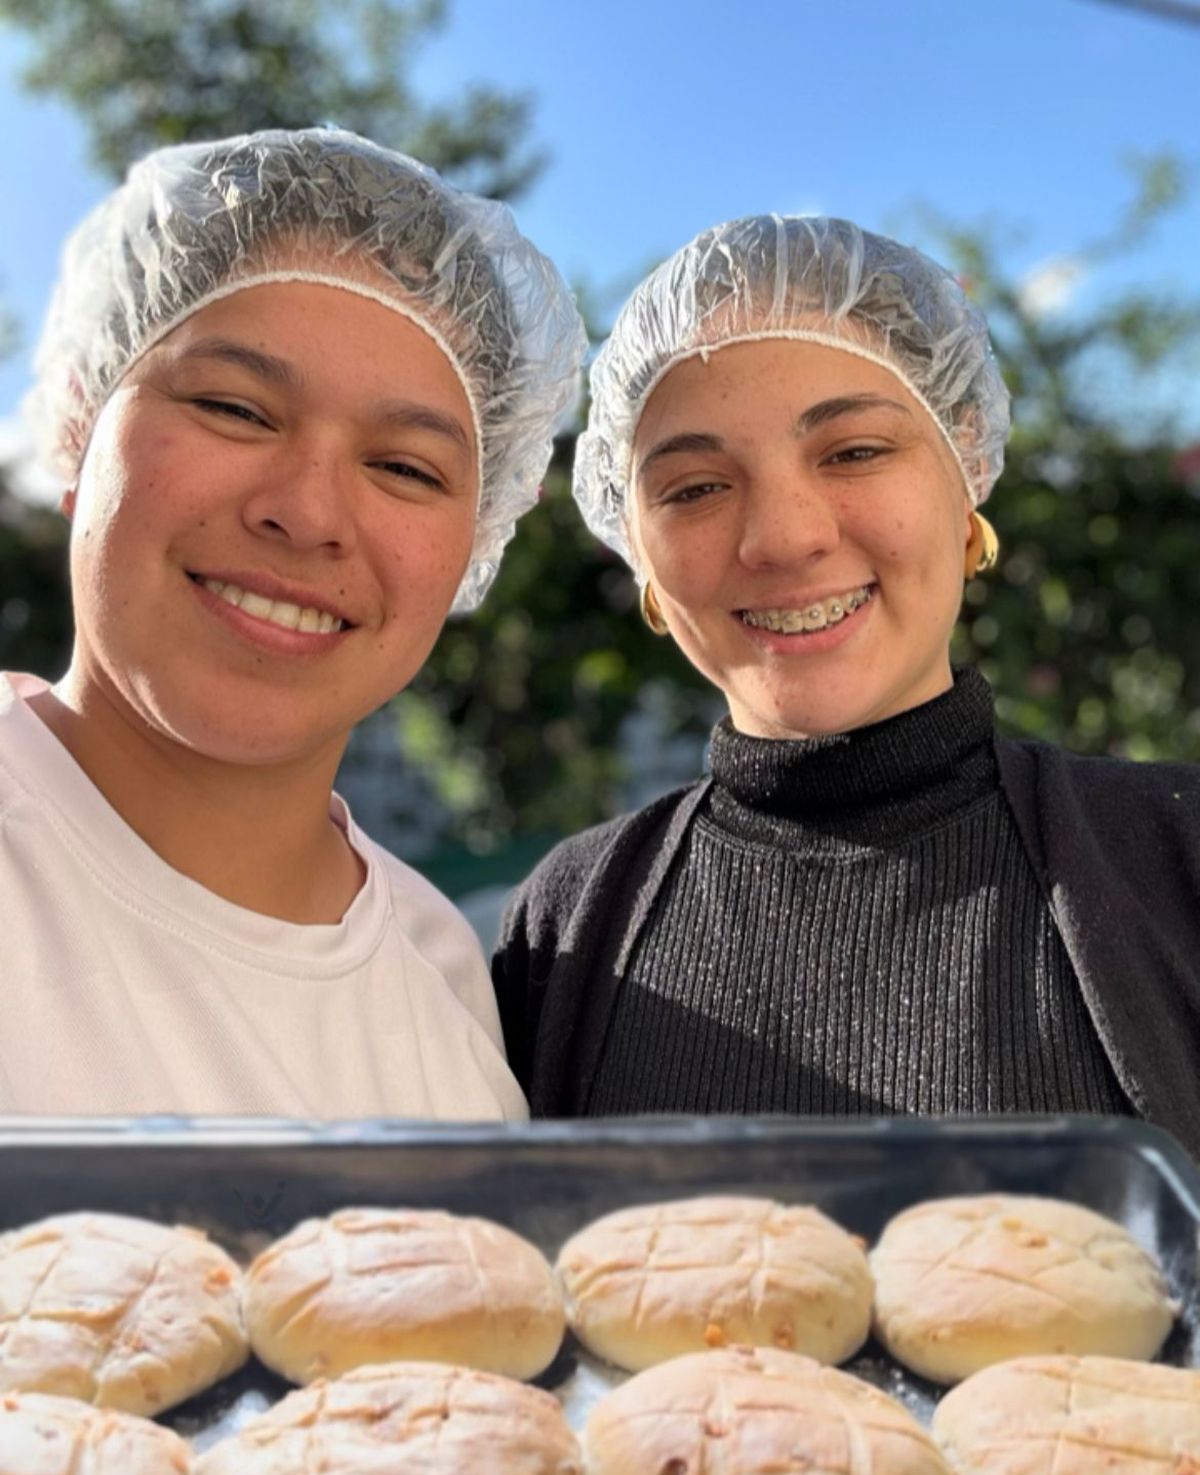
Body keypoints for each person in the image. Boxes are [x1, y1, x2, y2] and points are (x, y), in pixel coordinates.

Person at [492, 214, 1200, 1156]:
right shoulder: (565, 926)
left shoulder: (1174, 855)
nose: (783, 536)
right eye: (696, 487)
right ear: (642, 559)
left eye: (854, 451)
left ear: (964, 484)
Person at [1, 126, 586, 1119]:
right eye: (236, 407)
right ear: (81, 425)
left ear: (473, 545)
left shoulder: (443, 977)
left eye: (406, 467)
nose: (308, 512)